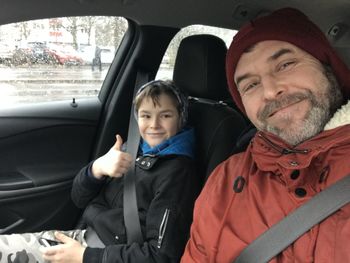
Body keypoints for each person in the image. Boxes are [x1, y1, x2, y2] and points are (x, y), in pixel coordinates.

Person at [181, 8, 350, 263]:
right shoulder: (223, 183)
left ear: (329, 67)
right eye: (250, 85)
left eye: (285, 65)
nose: (270, 91)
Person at [0, 80, 198, 263]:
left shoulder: (177, 173)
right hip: (86, 239)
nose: (154, 124)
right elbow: (78, 198)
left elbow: (160, 256)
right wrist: (97, 169)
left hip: (102, 254)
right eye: (146, 115)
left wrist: (85, 256)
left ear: (181, 118)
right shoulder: (133, 148)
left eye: (165, 115)